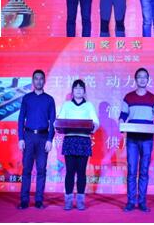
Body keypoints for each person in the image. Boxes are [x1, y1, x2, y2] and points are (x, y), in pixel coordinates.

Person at [119, 68, 154, 213]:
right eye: (139, 77)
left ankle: (142, 202)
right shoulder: (128, 97)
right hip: (132, 139)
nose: (142, 79)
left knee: (144, 171)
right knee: (132, 170)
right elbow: (123, 115)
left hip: (147, 139)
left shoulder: (153, 98)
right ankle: (131, 202)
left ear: (148, 80)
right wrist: (121, 122)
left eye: (145, 77)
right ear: (135, 79)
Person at [57, 79, 99, 211]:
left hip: (83, 141)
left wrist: (92, 126)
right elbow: (59, 121)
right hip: (70, 140)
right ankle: (68, 201)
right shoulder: (66, 105)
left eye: (81, 88)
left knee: (81, 172)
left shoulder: (89, 106)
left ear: (84, 91)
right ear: (72, 91)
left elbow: (96, 123)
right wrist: (58, 125)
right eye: (76, 88)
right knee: (70, 172)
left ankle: (80, 201)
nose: (78, 90)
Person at [17, 69, 56, 210]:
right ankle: (24, 200)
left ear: (44, 81)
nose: (38, 81)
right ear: (33, 81)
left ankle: (39, 200)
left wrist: (50, 139)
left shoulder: (49, 99)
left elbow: (53, 122)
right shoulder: (27, 98)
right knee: (26, 169)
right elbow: (21, 119)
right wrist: (21, 138)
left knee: (41, 170)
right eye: (36, 78)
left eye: (41, 79)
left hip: (43, 137)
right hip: (28, 136)